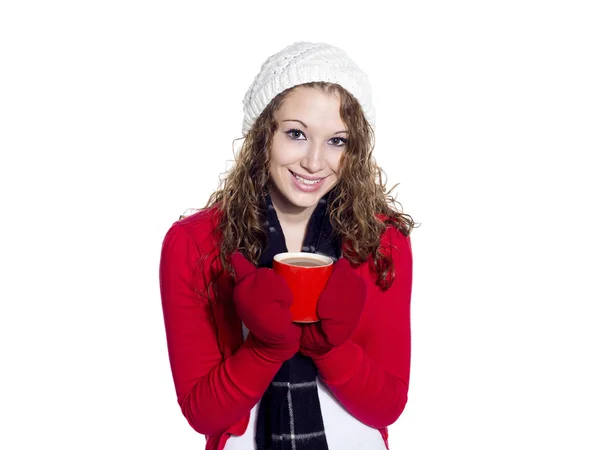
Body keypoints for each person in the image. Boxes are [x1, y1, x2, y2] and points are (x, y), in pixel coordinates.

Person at [159, 41, 415, 450]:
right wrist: (264, 349)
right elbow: (203, 412)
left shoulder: (381, 241)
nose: (315, 162)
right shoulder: (195, 243)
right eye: (296, 134)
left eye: (338, 141)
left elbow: (387, 407)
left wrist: (329, 348)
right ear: (263, 133)